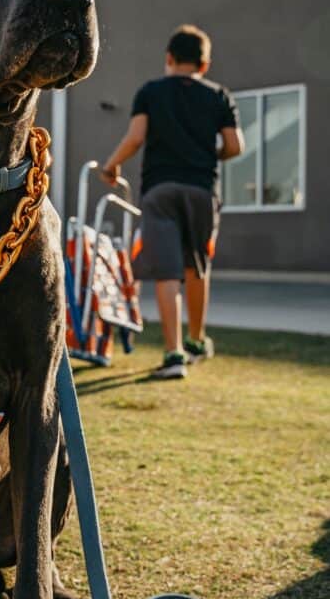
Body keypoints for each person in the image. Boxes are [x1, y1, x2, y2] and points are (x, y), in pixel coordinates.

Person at [99, 25, 244, 379]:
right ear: (204, 64)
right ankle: (197, 340)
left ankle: (173, 353)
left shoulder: (150, 91)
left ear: (169, 58)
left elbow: (135, 138)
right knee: (197, 266)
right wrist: (207, 157)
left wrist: (111, 165)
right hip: (201, 190)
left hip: (160, 190)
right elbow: (235, 146)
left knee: (167, 271)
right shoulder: (219, 96)